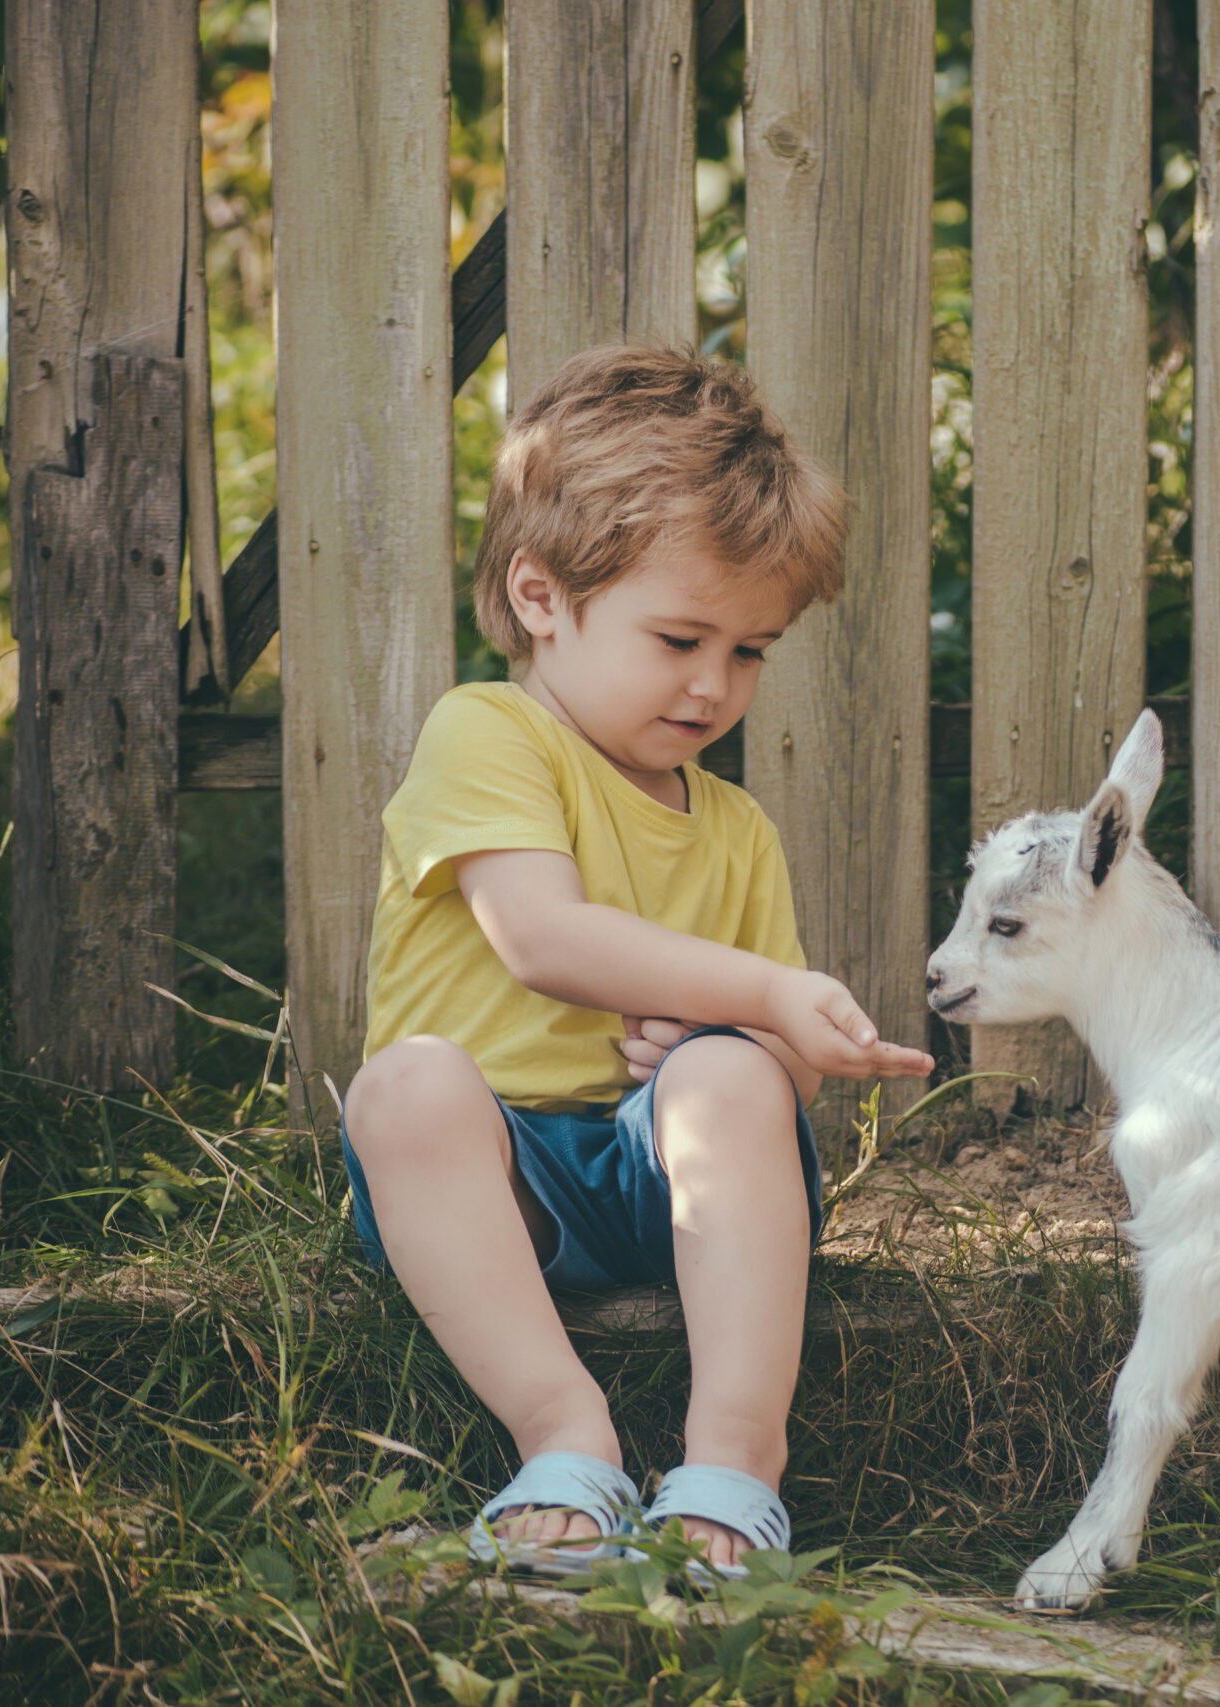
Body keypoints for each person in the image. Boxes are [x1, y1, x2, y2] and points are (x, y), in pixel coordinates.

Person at [340, 344, 935, 1584]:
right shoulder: (489, 733)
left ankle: (732, 1464)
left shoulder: (737, 831)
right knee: (404, 1087)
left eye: (752, 651)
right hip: (489, 1187)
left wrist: (750, 1046)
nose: (714, 686)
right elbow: (540, 937)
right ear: (543, 595)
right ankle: (565, 1437)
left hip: (656, 1186)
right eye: (678, 638)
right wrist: (759, 997)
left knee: (728, 1079)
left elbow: (782, 1083)